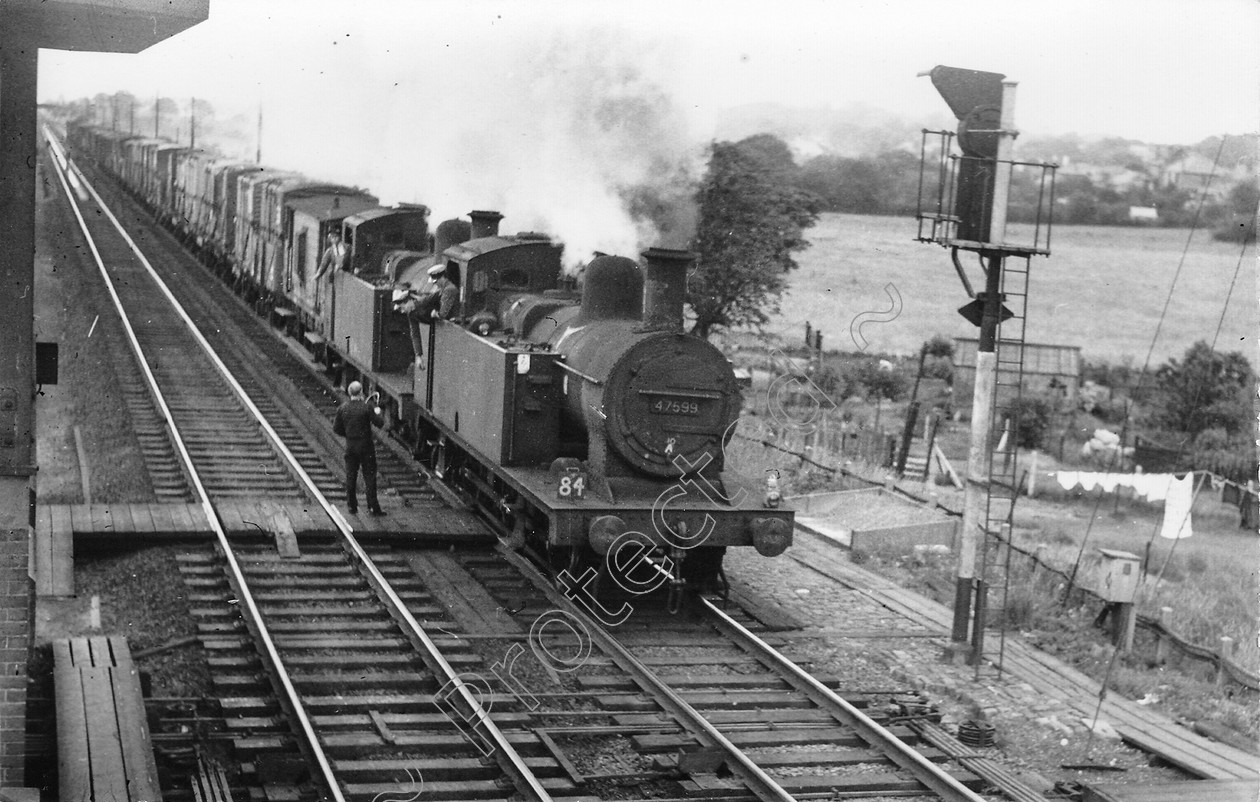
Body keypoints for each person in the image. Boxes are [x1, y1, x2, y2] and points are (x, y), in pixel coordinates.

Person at [332, 381, 385, 516]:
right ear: (361, 392)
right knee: (369, 476)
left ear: (349, 393)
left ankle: (352, 506)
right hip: (366, 446)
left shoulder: (342, 408)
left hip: (351, 446)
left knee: (351, 476)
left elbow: (336, 429)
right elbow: (380, 423)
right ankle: (373, 506)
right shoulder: (367, 407)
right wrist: (378, 412)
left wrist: (349, 435)